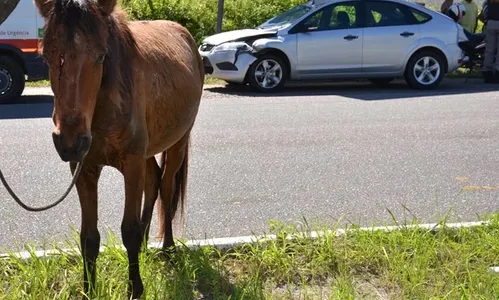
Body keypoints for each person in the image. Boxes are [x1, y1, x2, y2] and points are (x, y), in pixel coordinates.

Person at [482, 0, 499, 83]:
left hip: (490, 24)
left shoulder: (488, 2)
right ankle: (497, 71)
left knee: (489, 50)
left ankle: (486, 71)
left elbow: (484, 13)